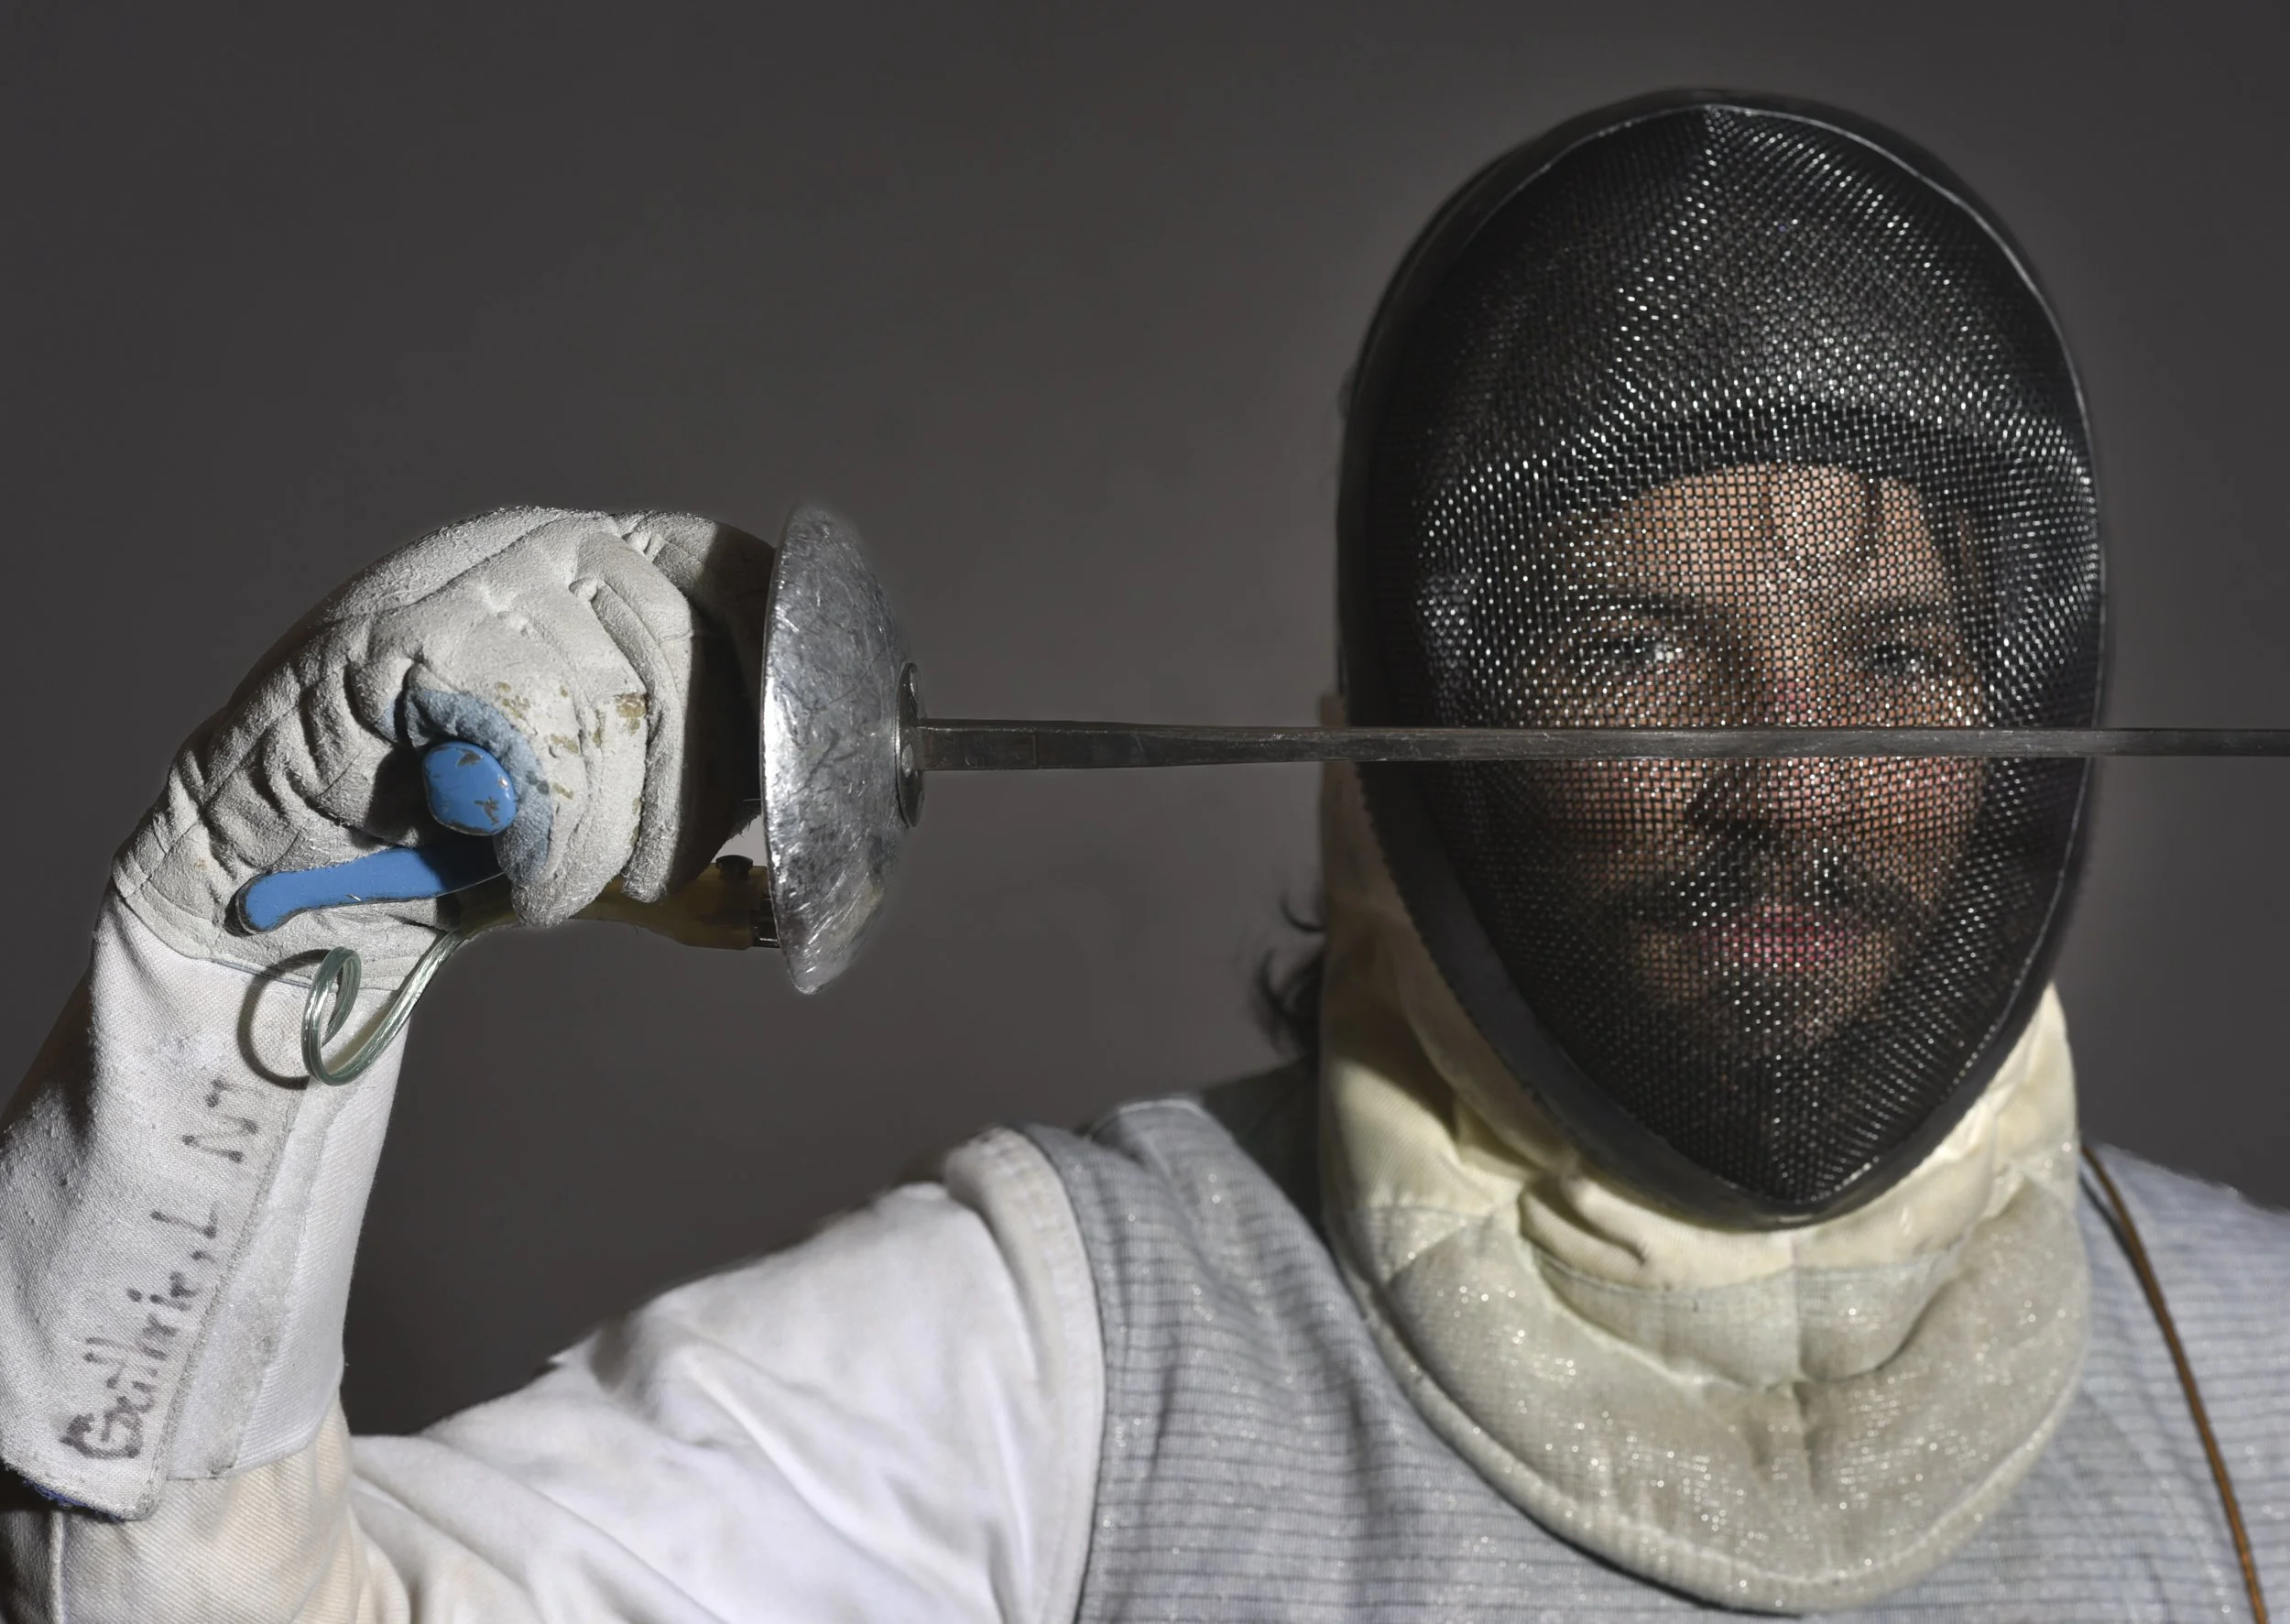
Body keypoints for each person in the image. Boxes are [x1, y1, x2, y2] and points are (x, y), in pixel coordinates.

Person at [3, 92, 2285, 1622]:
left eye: (1893, 654)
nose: (1789, 777)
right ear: (1410, 733)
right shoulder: (1063, 1342)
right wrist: (259, 940)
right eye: (1633, 648)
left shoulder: (2259, 1362)